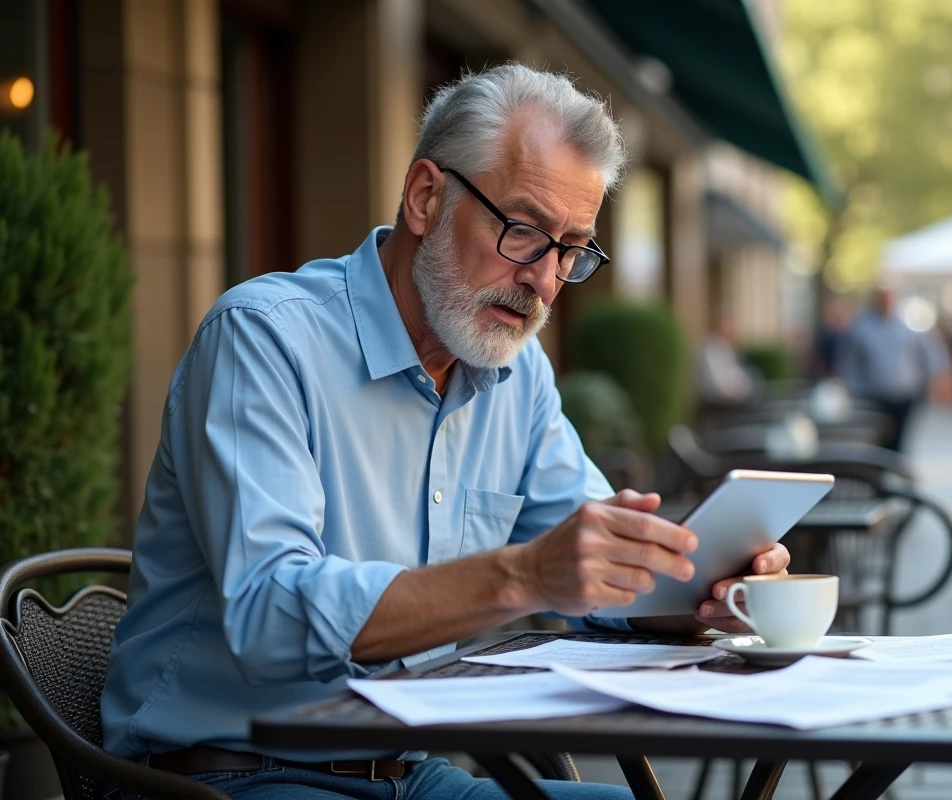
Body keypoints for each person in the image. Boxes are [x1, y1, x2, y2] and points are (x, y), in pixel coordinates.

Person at [99, 65, 790, 800]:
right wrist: (523, 575)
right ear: (426, 197)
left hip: (412, 773)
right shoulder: (264, 339)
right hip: (229, 776)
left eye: (571, 249)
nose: (545, 281)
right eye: (523, 231)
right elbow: (272, 614)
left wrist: (702, 589)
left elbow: (594, 571)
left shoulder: (517, 375)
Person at [836, 284, 952, 451]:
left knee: (899, 441)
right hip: (873, 395)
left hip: (904, 393)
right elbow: (849, 362)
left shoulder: (909, 324)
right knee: (876, 442)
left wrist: (937, 379)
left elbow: (931, 353)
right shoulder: (861, 327)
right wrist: (852, 388)